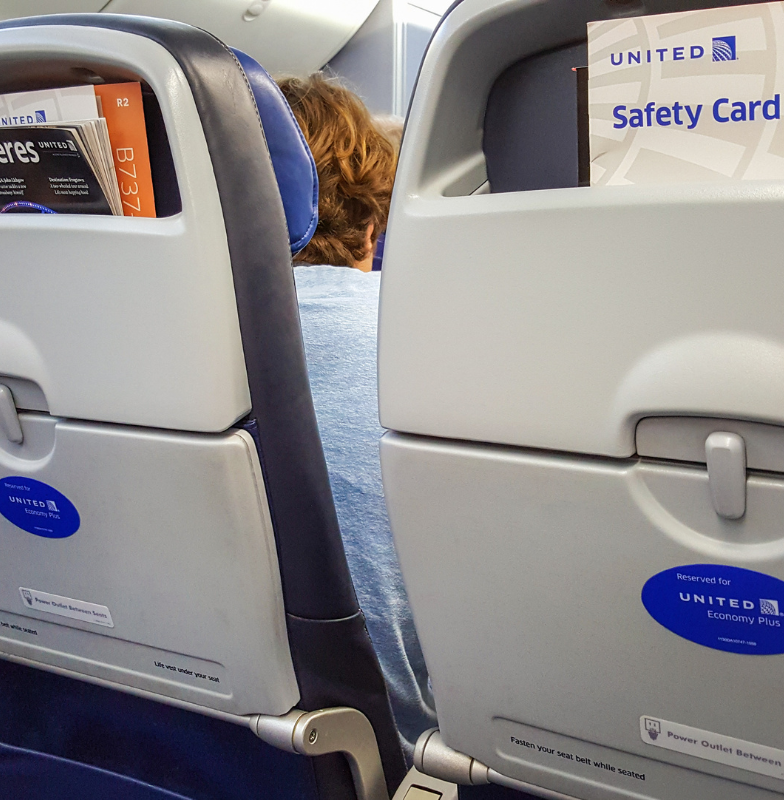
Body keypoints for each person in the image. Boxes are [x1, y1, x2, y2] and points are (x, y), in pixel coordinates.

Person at [278, 74, 437, 758]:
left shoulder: (141, 341)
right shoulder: (442, 340)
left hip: (185, 743)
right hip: (406, 752)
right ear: (373, 225)